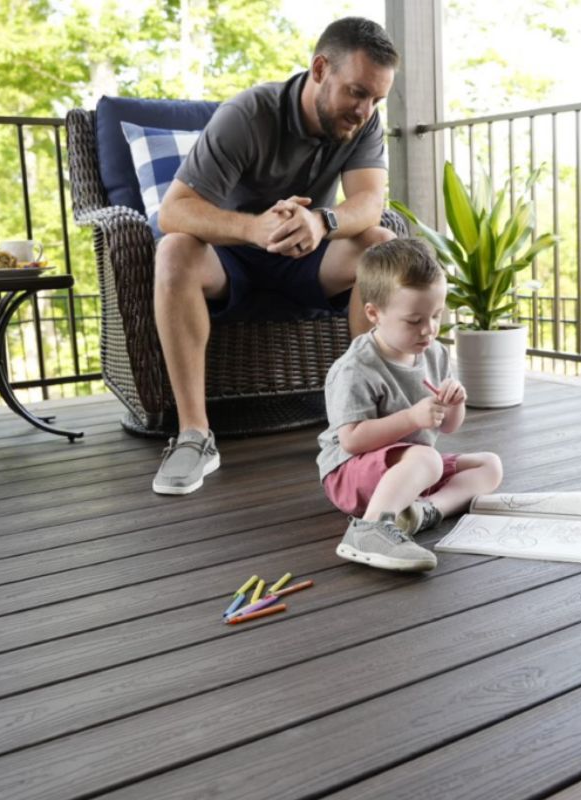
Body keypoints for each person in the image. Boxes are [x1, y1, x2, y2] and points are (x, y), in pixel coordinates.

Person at [151, 17, 400, 495]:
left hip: (308, 253)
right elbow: (173, 210)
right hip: (233, 256)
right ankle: (194, 436)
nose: (365, 110)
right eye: (356, 93)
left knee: (380, 247)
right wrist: (253, 227)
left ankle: (363, 425)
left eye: (376, 99)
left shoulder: (364, 123)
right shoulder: (248, 114)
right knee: (174, 250)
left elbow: (370, 202)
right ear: (321, 69)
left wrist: (321, 222)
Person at [317, 238, 504, 572]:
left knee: (489, 465)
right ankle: (369, 528)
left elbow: (448, 426)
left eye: (436, 315)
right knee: (427, 458)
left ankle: (422, 512)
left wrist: (454, 403)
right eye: (414, 320)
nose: (429, 329)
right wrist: (412, 417)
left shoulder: (434, 353)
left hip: (413, 469)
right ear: (374, 313)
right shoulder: (356, 368)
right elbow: (351, 440)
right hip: (350, 472)